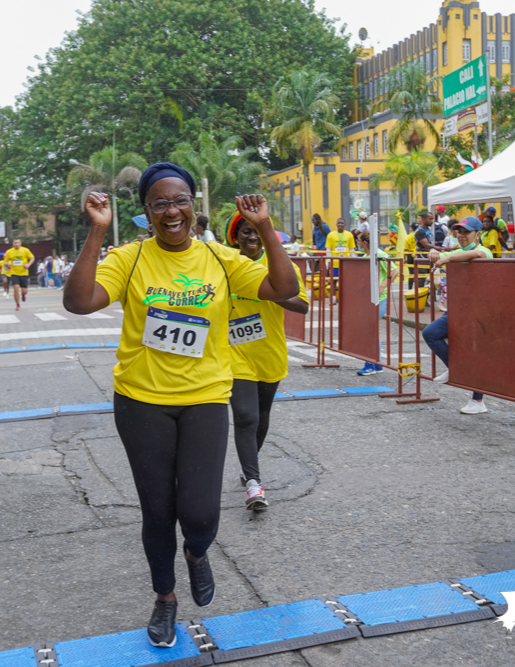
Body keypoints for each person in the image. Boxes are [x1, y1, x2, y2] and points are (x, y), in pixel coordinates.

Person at [62, 162, 298, 648]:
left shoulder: (218, 259)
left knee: (200, 512)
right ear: (146, 213)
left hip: (207, 397)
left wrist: (266, 228)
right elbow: (80, 301)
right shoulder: (129, 259)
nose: (173, 211)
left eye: (181, 201)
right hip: (141, 401)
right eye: (160, 203)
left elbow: (285, 289)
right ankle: (165, 599)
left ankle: (197, 550)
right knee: (157, 509)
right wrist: (96, 231)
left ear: (195, 206)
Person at [223, 210, 308, 510]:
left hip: (269, 352)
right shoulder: (226, 265)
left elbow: (302, 305)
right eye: (244, 231)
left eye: (257, 230)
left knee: (261, 416)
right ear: (235, 236)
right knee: (245, 416)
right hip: (235, 353)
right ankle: (253, 484)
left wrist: (269, 291)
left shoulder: (279, 265)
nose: (252, 236)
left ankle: (250, 463)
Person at [422, 217, 492, 414]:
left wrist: (448, 258)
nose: (461, 236)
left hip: (478, 312)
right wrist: (435, 252)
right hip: (459, 310)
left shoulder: (484, 251)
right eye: (458, 232)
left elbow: (478, 253)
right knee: (431, 333)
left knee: (474, 354)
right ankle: (455, 368)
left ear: (478, 234)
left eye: (466, 232)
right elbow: (447, 253)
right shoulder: (459, 251)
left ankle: (478, 401)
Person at [356, 230, 399, 376]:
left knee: (369, 329)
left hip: (380, 298)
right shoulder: (368, 255)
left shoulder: (379, 254)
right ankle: (377, 364)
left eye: (358, 240)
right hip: (371, 297)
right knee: (371, 330)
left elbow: (395, 271)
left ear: (365, 243)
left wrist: (381, 287)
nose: (357, 243)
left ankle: (370, 364)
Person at [325, 217, 355, 301]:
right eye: (339, 223)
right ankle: (333, 297)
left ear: (345, 225)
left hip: (346, 262)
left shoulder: (349, 235)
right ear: (336, 224)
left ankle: (344, 297)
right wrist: (328, 261)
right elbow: (328, 249)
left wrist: (353, 260)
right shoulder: (331, 235)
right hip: (335, 262)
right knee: (334, 280)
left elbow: (352, 249)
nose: (340, 225)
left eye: (342, 223)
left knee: (345, 281)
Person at [3, 239, 34, 311]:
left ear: (20, 243)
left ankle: (23, 295)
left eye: (18, 243)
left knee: (24, 290)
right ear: (13, 244)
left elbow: (32, 257)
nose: (16, 244)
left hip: (24, 273)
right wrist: (8, 264)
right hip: (14, 273)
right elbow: (5, 262)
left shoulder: (25, 250)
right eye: (15, 243)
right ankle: (17, 304)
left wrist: (28, 264)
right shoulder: (9, 251)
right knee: (16, 288)